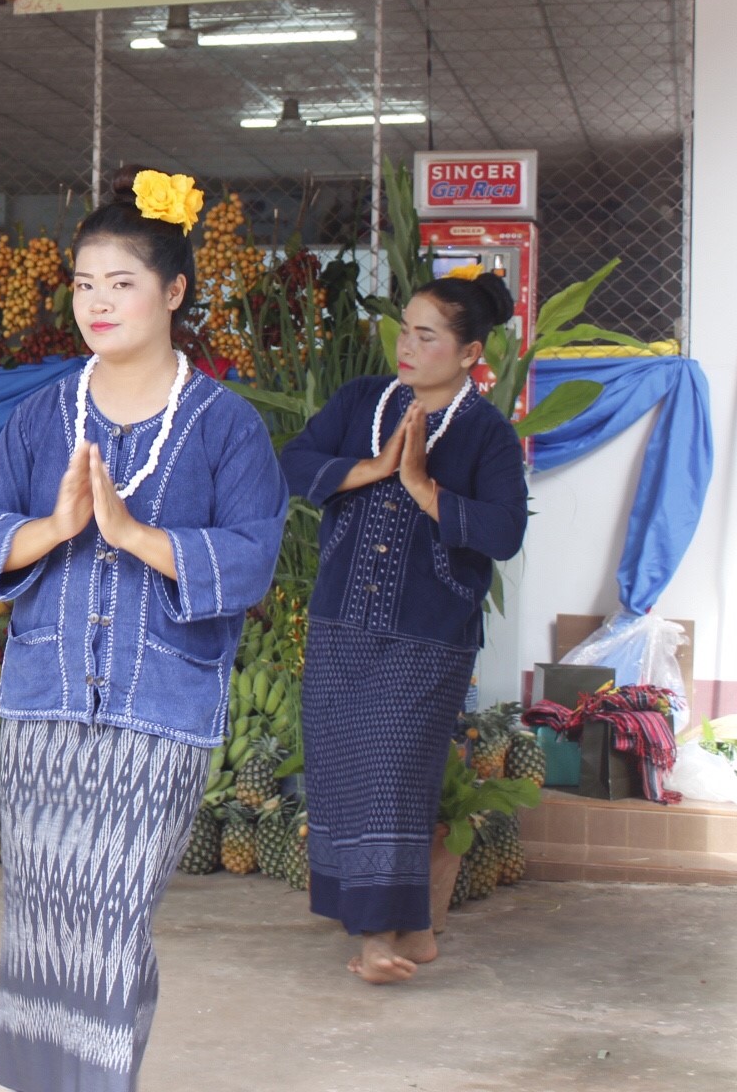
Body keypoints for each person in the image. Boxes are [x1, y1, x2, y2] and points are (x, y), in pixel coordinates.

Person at [0, 167, 286, 1092]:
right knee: (43, 913)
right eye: (83, 283)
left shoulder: (226, 427)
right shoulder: (40, 416)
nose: (96, 303)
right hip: (45, 702)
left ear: (174, 291)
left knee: (110, 913)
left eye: (121, 283)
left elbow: (253, 553)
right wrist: (56, 529)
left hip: (160, 710)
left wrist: (135, 536)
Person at [279, 268, 527, 986]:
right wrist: (373, 467)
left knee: (393, 776)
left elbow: (505, 532)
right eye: (405, 329)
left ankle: (378, 937)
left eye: (427, 335)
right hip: (340, 625)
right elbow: (294, 463)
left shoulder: (486, 434)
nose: (408, 346)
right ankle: (415, 931)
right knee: (342, 771)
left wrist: (422, 488)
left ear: (468, 350)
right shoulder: (364, 401)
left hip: (426, 635)